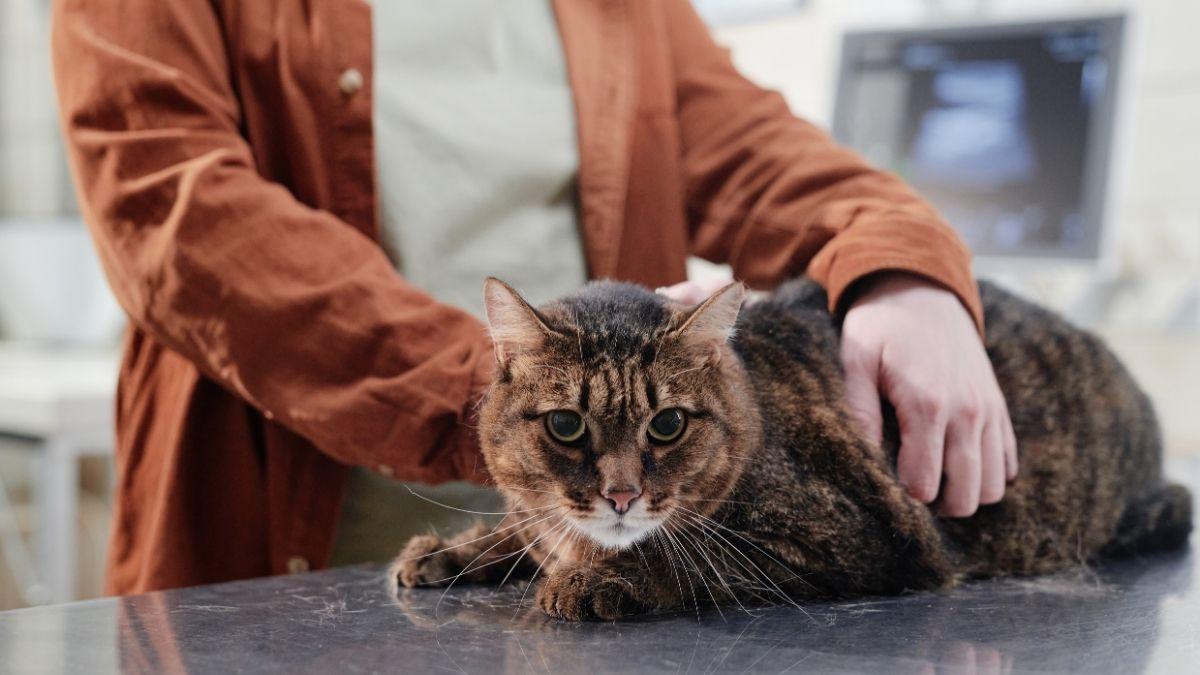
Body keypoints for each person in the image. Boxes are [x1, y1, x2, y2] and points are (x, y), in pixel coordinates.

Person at [52, 0, 1015, 596]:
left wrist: (901, 266)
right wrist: (509, 402)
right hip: (279, 552)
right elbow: (172, 207)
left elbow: (757, 152)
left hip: (613, 562)